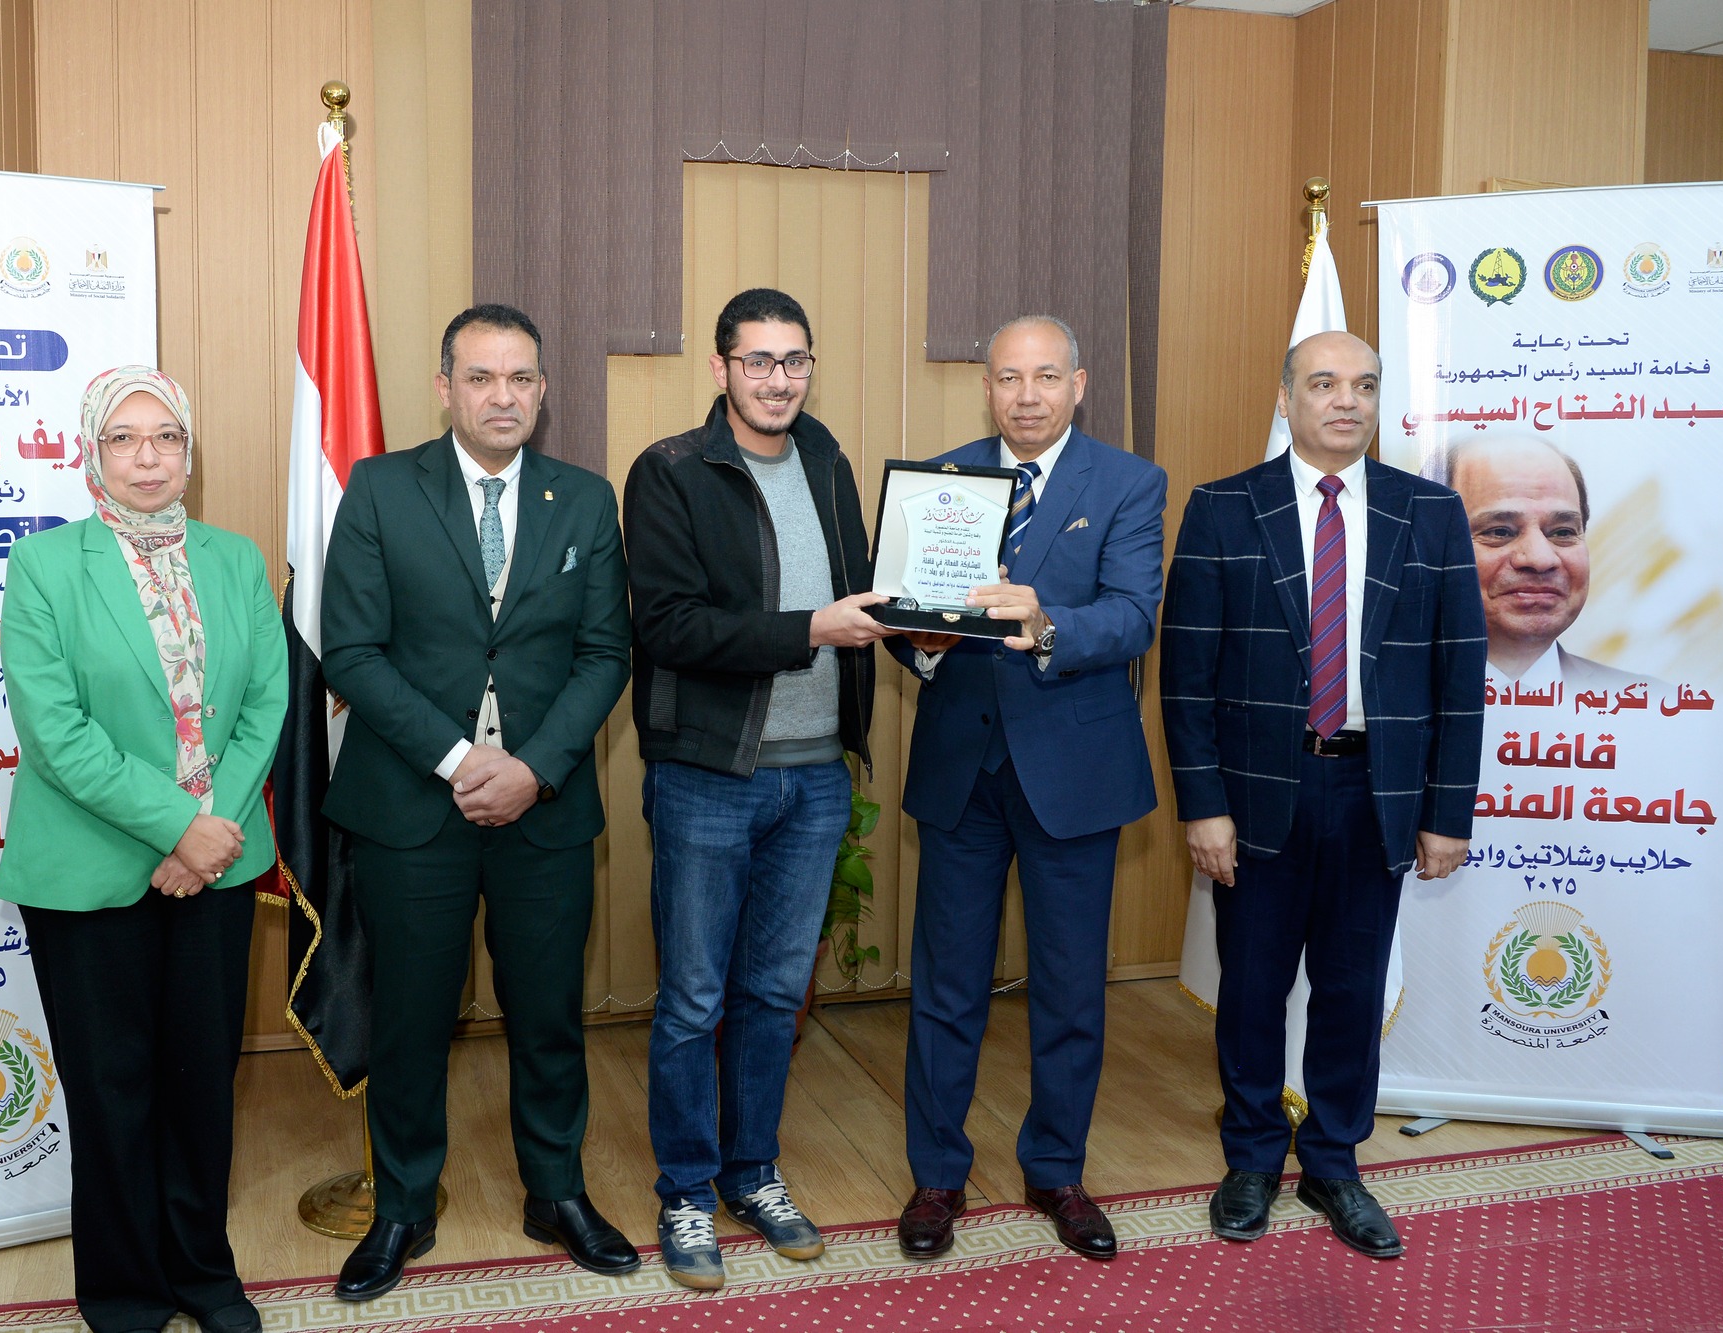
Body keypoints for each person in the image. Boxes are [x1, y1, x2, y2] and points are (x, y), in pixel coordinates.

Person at [320, 304, 636, 1298]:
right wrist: (462, 760)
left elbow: (605, 653)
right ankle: (404, 1205)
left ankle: (557, 1192)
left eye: (521, 379)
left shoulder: (583, 499)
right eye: (482, 377)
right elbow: (351, 652)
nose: (504, 396)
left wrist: (532, 767)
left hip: (545, 808)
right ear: (444, 387)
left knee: (548, 1016)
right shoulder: (379, 488)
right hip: (412, 808)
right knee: (411, 1021)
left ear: (542, 390)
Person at [1160, 330, 1486, 1259]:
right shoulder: (1224, 508)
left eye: (1365, 385)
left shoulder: (1431, 512)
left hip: (1378, 790)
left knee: (1350, 987)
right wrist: (1203, 804)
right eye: (1325, 383)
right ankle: (1253, 1157)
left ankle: (1334, 1163)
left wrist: (1446, 812)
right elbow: (1185, 677)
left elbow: (1460, 675)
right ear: (1286, 397)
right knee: (1253, 987)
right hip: (1259, 792)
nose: (1347, 400)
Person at [0, 365, 287, 1333]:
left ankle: (204, 1274)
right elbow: (56, 732)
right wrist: (176, 826)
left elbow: (264, 704)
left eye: (165, 436)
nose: (148, 456)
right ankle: (124, 1292)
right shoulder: (43, 565)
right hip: (87, 871)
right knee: (111, 1088)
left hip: (218, 862)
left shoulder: (236, 559)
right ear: (92, 453)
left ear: (188, 452)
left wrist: (206, 835)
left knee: (201, 1083)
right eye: (123, 438)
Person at [888, 315, 1166, 1264]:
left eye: (1047, 376)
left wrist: (1046, 624)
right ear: (987, 388)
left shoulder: (1128, 482)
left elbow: (1132, 618)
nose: (1028, 395)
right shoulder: (941, 481)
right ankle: (937, 1174)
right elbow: (906, 618)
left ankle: (1056, 1170)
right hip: (962, 773)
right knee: (946, 986)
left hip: (1073, 774)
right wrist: (920, 644)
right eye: (1009, 377)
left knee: (1071, 988)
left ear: (1079, 384)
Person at [624, 287, 884, 1290]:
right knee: (693, 999)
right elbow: (669, 626)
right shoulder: (671, 471)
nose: (779, 379)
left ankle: (752, 1173)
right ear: (721, 368)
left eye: (795, 360)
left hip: (815, 779)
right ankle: (686, 1189)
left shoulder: (828, 460)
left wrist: (925, 624)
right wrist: (809, 629)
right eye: (759, 361)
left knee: (773, 995)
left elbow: (864, 594)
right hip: (707, 776)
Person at [1442, 435, 1643, 691]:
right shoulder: (1390, 703)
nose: (1540, 559)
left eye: (1562, 532)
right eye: (1500, 532)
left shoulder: (1653, 703)